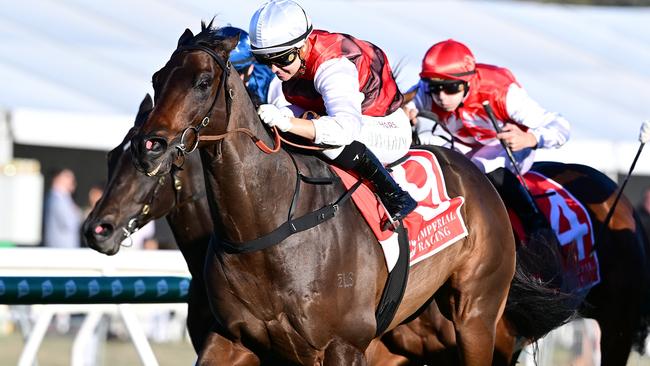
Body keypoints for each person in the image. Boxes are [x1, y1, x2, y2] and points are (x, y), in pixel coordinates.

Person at [249, 0, 416, 222]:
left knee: (325, 139)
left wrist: (288, 122)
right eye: (264, 60)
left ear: (303, 46)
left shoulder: (333, 66)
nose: (273, 69)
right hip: (355, 119)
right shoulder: (296, 60)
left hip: (388, 128)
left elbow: (345, 129)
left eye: (282, 59)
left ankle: (395, 195)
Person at [404, 39, 570, 237]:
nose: (441, 97)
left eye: (451, 88)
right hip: (463, 146)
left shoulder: (500, 91)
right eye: (435, 87)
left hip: (509, 145)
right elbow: (402, 108)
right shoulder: (426, 89)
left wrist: (530, 138)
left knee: (478, 170)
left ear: (468, 81)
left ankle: (538, 229)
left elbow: (561, 126)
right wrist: (404, 114)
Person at [217, 26, 286, 108]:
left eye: (238, 72)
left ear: (251, 68)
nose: (231, 79)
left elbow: (288, 113)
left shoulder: (271, 80)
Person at [43, 168, 82, 248]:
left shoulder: (62, 198)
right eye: (68, 177)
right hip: (61, 247)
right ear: (57, 179)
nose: (72, 181)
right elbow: (70, 223)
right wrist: (78, 214)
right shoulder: (57, 199)